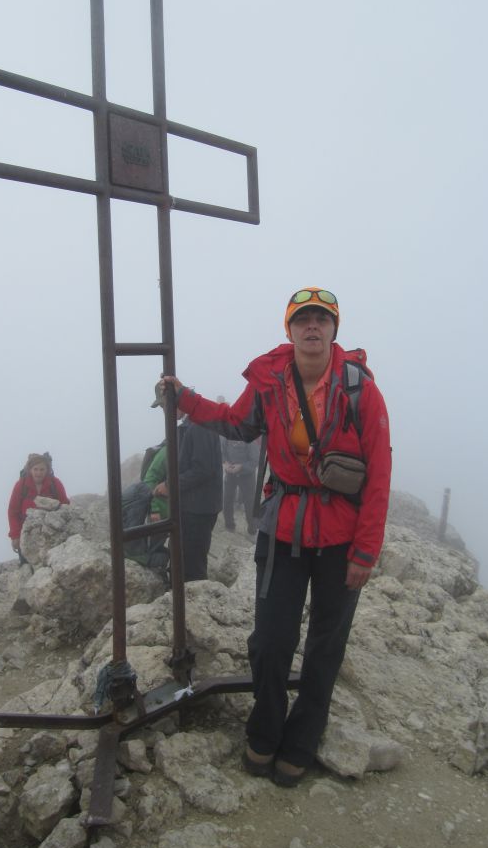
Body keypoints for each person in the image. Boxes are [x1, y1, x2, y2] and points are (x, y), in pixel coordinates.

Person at [162, 287, 391, 786]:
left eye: (322, 320)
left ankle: (302, 740)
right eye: (303, 319)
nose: (313, 327)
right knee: (270, 641)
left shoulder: (360, 391)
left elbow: (379, 475)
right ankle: (264, 732)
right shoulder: (269, 381)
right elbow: (235, 423)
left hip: (340, 542)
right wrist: (186, 400)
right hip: (283, 529)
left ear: (334, 329)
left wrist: (366, 552)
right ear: (288, 330)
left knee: (325, 646)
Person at [152, 405, 223, 582]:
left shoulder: (199, 425)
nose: (165, 412)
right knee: (183, 561)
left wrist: (170, 485)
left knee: (192, 567)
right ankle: (181, 599)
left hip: (198, 509)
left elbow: (203, 469)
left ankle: (191, 606)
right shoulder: (190, 424)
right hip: (191, 506)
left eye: (165, 407)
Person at [8, 453, 70, 562]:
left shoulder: (55, 484)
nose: (38, 473)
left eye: (42, 469)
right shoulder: (21, 485)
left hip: (52, 536)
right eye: (35, 469)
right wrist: (15, 536)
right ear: (30, 470)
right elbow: (13, 512)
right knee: (28, 567)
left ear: (47, 470)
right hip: (27, 537)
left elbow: (65, 507)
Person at [222, 436, 260, 534]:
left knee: (250, 503)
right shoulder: (226, 435)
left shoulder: (249, 437)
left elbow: (255, 460)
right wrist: (225, 463)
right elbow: (222, 452)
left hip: (247, 475)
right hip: (231, 472)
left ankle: (252, 529)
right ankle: (229, 524)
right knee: (227, 498)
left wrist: (241, 466)